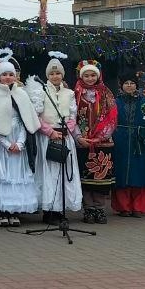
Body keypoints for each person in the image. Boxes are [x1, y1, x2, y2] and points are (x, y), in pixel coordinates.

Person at [0, 58, 39, 226]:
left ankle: (14, 211)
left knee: (17, 176)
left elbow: (26, 122)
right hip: (0, 145)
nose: (8, 77)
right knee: (1, 176)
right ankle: (0, 212)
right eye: (4, 74)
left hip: (18, 143)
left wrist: (19, 143)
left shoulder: (21, 94)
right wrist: (6, 144)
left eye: (11, 74)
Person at [35, 54, 83, 224]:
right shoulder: (41, 92)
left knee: (64, 175)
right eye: (52, 74)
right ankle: (48, 211)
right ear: (47, 76)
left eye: (58, 73)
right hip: (48, 138)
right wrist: (50, 132)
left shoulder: (69, 93)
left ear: (62, 75)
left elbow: (72, 116)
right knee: (50, 175)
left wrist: (66, 130)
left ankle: (61, 210)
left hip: (64, 136)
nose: (55, 77)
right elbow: (36, 116)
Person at [112, 73, 145, 217]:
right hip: (120, 141)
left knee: (140, 174)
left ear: (136, 85)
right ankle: (124, 207)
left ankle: (138, 207)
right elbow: (110, 120)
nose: (129, 85)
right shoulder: (115, 102)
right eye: (126, 83)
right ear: (121, 85)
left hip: (140, 142)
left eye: (132, 83)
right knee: (121, 175)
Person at [74, 59, 117, 224]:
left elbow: (112, 116)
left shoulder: (106, 93)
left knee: (100, 179)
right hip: (83, 142)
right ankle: (89, 209)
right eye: (87, 75)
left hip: (102, 143)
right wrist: (79, 137)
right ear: (81, 76)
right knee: (86, 178)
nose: (90, 78)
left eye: (93, 75)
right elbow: (72, 118)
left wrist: (100, 136)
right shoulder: (76, 93)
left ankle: (99, 209)